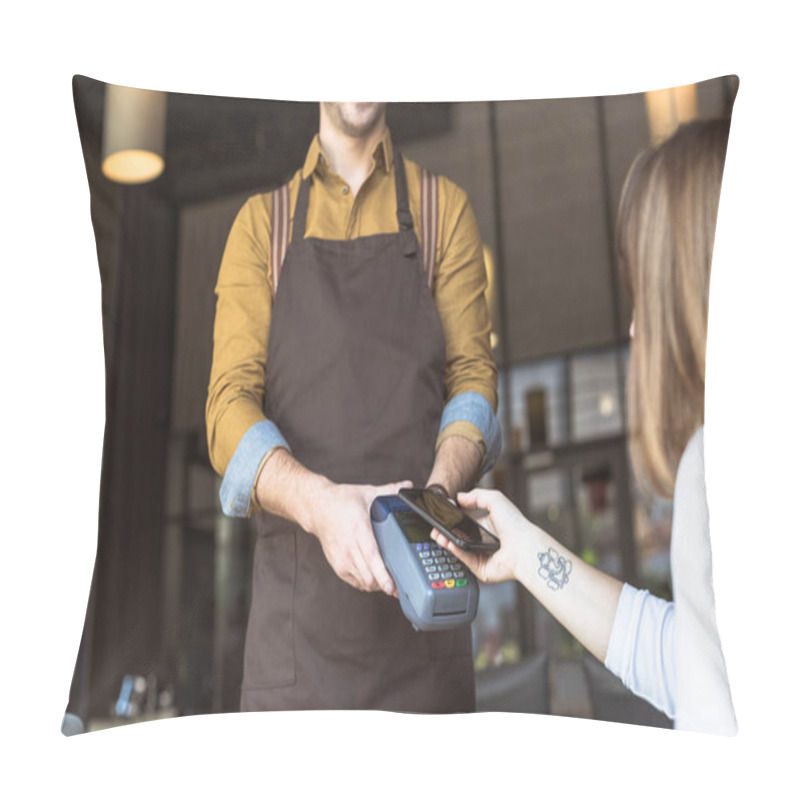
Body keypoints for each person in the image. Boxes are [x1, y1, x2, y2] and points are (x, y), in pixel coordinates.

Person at [433, 118, 737, 734]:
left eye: (644, 296)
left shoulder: (718, 462)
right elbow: (693, 665)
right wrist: (520, 550)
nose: (633, 331)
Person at [205, 102, 500, 712]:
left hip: (425, 624)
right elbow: (227, 407)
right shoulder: (264, 225)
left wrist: (435, 504)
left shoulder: (444, 211)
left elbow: (472, 380)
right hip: (297, 648)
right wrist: (318, 504)